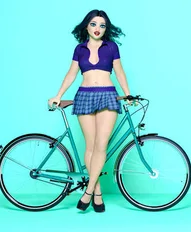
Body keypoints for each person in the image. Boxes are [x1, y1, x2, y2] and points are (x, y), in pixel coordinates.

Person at [48, 9, 132, 213]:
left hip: (107, 95)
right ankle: (97, 191)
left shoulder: (111, 47)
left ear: (106, 29)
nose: (97, 29)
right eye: (94, 24)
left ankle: (87, 191)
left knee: (101, 146)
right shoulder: (79, 49)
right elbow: (71, 73)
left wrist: (128, 94)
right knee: (90, 147)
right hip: (84, 95)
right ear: (86, 26)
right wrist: (58, 94)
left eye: (102, 25)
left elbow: (119, 72)